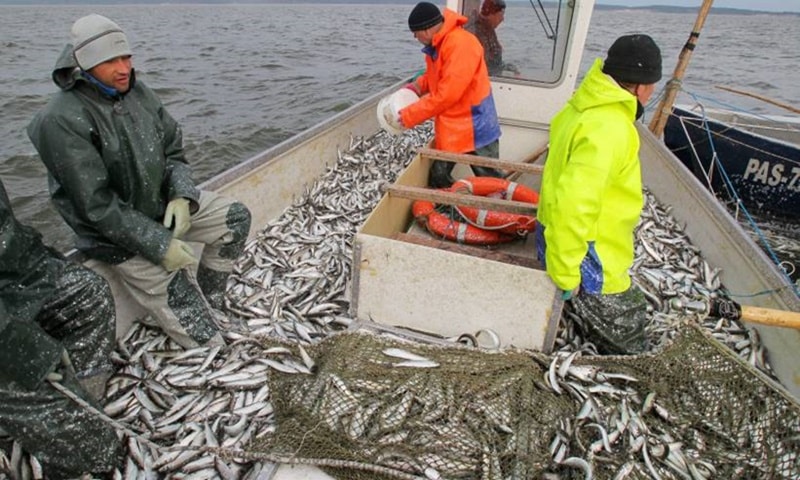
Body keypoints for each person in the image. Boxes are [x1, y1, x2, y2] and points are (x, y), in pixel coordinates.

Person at [28, 14, 252, 349]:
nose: (123, 68)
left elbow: (173, 151)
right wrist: (159, 245)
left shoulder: (139, 93)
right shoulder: (59, 119)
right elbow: (96, 207)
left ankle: (212, 300)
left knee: (235, 218)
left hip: (160, 207)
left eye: (126, 57)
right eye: (110, 61)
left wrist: (181, 196)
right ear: (84, 64)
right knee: (210, 343)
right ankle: (203, 328)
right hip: (116, 237)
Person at [536, 34, 662, 355]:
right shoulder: (611, 127)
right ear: (640, 87)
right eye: (653, 85)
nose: (652, 92)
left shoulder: (579, 107)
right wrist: (566, 272)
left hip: (555, 236)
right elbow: (574, 203)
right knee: (629, 339)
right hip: (590, 253)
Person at [0, 177, 122, 477]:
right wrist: (30, 352)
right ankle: (62, 431)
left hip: (9, 287)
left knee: (87, 293)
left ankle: (77, 403)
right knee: (98, 455)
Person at [400, 1, 504, 189]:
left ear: (426, 30)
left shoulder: (461, 44)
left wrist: (407, 116)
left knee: (493, 183)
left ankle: (502, 205)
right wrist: (417, 86)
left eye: (415, 33)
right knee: (438, 178)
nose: (415, 37)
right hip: (454, 127)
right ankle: (454, 202)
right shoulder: (439, 44)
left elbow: (447, 94)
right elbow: (436, 75)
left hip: (476, 126)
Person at [465, 0, 519, 77]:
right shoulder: (477, 32)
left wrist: (508, 68)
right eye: (501, 15)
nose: (502, 19)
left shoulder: (487, 29)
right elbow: (484, 65)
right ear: (491, 14)